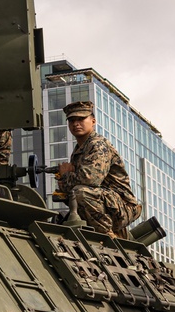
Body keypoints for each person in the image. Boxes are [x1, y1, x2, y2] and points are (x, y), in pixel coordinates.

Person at [55, 101, 142, 238]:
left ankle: (107, 236)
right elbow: (73, 185)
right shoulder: (80, 149)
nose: (76, 123)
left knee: (80, 192)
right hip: (106, 203)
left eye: (81, 119)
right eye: (72, 120)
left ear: (93, 121)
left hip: (123, 207)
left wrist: (66, 175)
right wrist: (64, 182)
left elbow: (90, 179)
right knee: (71, 193)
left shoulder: (98, 145)